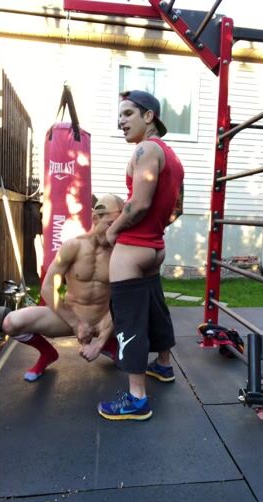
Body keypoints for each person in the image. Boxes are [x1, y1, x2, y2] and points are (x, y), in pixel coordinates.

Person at [97, 90, 184, 421]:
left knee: (129, 322)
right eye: (119, 115)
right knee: (157, 311)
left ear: (149, 117)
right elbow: (177, 209)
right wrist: (154, 231)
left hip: (132, 250)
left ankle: (137, 399)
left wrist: (114, 232)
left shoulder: (146, 149)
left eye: (128, 114)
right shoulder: (173, 157)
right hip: (154, 248)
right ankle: (163, 365)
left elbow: (138, 204)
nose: (120, 121)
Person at [0, 194, 125, 381]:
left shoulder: (120, 252)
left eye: (120, 226)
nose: (115, 231)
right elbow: (48, 288)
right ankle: (47, 353)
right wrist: (77, 323)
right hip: (70, 317)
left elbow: (124, 299)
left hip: (105, 320)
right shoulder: (73, 246)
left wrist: (99, 342)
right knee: (11, 322)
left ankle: (109, 344)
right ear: (95, 218)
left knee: (148, 322)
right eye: (111, 224)